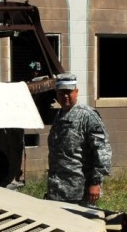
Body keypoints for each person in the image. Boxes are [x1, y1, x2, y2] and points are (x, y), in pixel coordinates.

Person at [47, 73, 112, 205]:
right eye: (61, 92)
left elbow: (103, 151)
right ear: (56, 93)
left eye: (69, 92)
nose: (65, 96)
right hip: (57, 192)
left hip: (79, 193)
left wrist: (96, 182)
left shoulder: (87, 116)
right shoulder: (59, 116)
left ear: (76, 92)